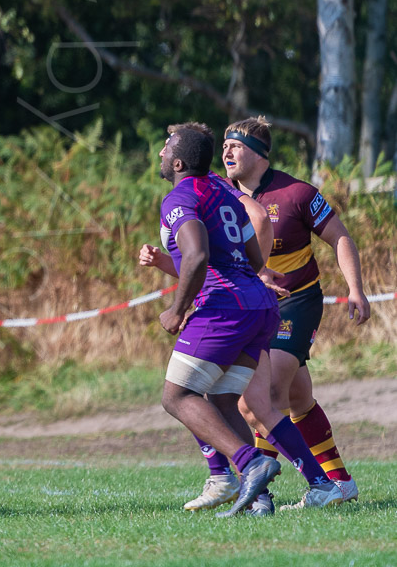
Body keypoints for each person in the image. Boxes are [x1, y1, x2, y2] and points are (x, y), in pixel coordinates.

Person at [139, 123, 341, 517]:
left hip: (223, 309)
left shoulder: (178, 198)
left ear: (179, 162)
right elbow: (252, 256)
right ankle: (271, 496)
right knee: (225, 401)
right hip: (258, 306)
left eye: (165, 149)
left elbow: (196, 256)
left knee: (177, 396)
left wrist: (177, 310)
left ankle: (248, 464)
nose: (161, 154)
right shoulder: (225, 194)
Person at [222, 117, 366, 505]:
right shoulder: (221, 198)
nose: (226, 152)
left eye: (234, 145)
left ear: (258, 152)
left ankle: (262, 493)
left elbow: (340, 238)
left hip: (296, 302)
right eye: (223, 145)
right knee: (298, 397)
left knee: (263, 396)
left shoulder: (296, 193)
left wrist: (355, 289)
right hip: (253, 309)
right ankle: (340, 482)